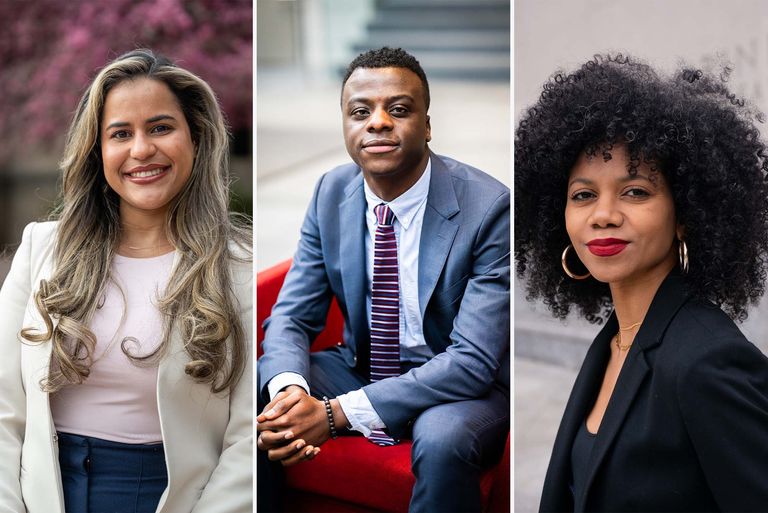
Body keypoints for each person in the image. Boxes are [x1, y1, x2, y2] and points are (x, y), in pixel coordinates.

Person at [256, 47, 510, 512]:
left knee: (442, 438)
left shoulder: (489, 209)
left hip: (457, 386)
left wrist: (334, 415)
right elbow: (292, 314)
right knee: (263, 387)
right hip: (362, 364)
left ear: (427, 126)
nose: (377, 122)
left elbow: (473, 361)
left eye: (398, 109)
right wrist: (292, 393)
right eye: (360, 112)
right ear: (346, 126)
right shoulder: (331, 192)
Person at [0, 49, 253, 513]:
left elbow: (246, 436)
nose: (141, 150)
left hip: (170, 498)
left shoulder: (239, 268)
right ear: (98, 152)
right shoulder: (41, 249)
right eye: (121, 134)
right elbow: (3, 410)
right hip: (43, 494)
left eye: (160, 127)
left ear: (195, 138)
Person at [515, 53, 768, 512]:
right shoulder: (617, 339)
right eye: (583, 195)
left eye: (636, 192)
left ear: (686, 216)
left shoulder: (707, 362)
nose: (604, 215)